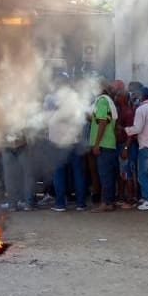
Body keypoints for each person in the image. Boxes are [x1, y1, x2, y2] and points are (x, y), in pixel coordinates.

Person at [44, 79, 88, 213]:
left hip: (57, 142)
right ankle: (81, 204)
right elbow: (82, 120)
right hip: (74, 140)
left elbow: (46, 119)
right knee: (78, 173)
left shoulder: (51, 99)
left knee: (59, 174)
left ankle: (60, 204)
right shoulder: (75, 99)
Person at [89, 81, 119, 212]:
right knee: (109, 175)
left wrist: (96, 143)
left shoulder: (101, 101)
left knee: (104, 175)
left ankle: (105, 203)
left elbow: (102, 123)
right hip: (109, 143)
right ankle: (109, 202)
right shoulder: (109, 101)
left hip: (103, 144)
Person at [114, 88, 137, 208]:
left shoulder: (128, 113)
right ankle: (122, 197)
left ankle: (130, 199)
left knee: (127, 172)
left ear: (123, 98)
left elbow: (131, 133)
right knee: (122, 173)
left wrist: (126, 148)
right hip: (121, 145)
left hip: (126, 146)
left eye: (118, 96)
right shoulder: (120, 111)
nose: (115, 98)